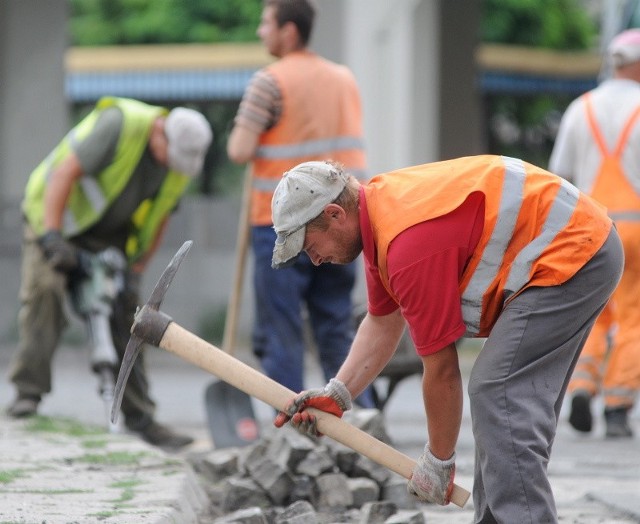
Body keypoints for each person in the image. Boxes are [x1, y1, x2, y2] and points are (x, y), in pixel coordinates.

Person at [269, 157, 623, 522]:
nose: (313, 261)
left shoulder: (406, 243)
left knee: (497, 390)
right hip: (575, 244)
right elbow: (382, 321)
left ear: (333, 214)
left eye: (309, 245)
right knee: (501, 403)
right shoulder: (379, 216)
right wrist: (338, 394)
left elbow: (441, 371)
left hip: (576, 250)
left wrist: (439, 461)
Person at [6, 96, 213, 450]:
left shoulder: (177, 167)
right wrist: (53, 239)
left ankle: (140, 417)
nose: (174, 166)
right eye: (171, 156)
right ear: (160, 132)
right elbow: (65, 172)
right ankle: (28, 394)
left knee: (131, 315)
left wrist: (135, 269)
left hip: (107, 239)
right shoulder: (120, 125)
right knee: (47, 290)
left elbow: (159, 218)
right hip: (56, 219)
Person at [226, 0, 373, 406]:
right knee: (336, 328)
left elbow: (239, 149)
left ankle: (291, 427)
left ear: (288, 31)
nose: (260, 31)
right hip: (344, 221)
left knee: (282, 331)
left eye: (265, 23)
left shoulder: (269, 82)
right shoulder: (344, 79)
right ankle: (361, 421)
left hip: (284, 227)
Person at [549, 28, 640, 439]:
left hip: (590, 228)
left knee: (594, 312)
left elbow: (560, 177)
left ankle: (583, 387)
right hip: (637, 227)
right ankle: (618, 407)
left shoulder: (579, 108)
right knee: (635, 317)